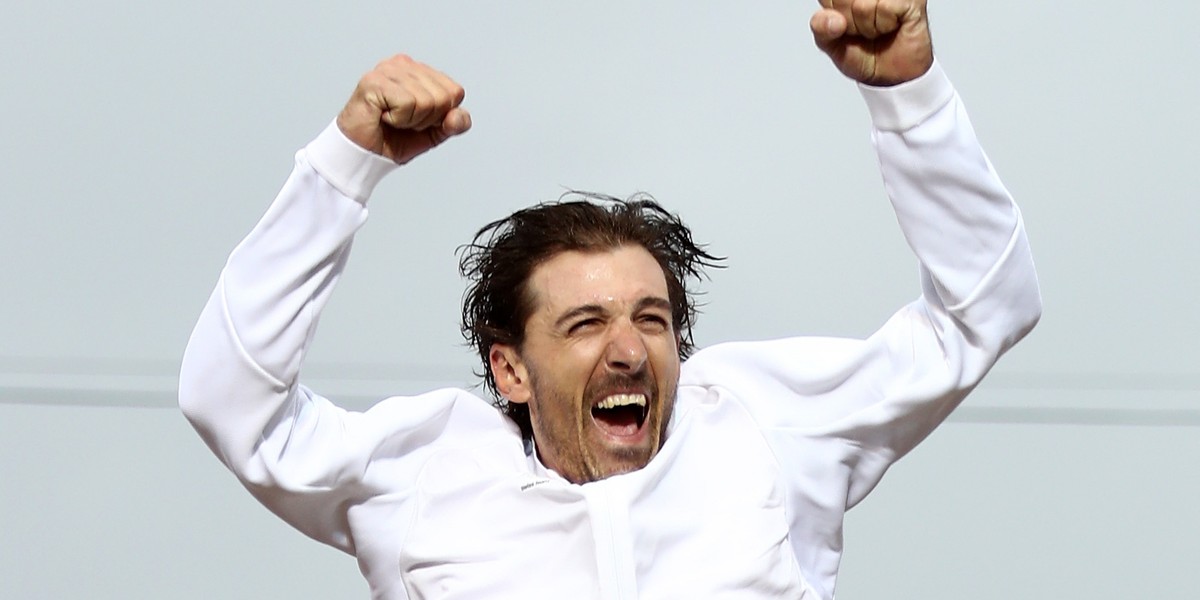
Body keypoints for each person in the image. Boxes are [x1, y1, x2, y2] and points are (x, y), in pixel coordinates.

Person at [179, 1, 1041, 598]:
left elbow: (984, 307)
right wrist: (344, 164)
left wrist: (909, 97)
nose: (628, 349)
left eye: (652, 319)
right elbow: (230, 400)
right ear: (509, 367)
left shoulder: (762, 428)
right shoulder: (425, 476)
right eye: (584, 323)